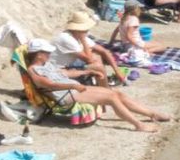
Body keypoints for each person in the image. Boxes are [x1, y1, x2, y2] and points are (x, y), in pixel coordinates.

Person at [26, 44, 167, 129]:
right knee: (111, 98)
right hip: (65, 95)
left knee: (116, 93)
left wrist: (88, 71)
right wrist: (73, 87)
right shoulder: (34, 70)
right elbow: (48, 84)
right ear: (39, 55)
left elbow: (66, 72)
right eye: (47, 52)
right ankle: (139, 125)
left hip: (73, 89)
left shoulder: (47, 65)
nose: (50, 54)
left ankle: (151, 114)